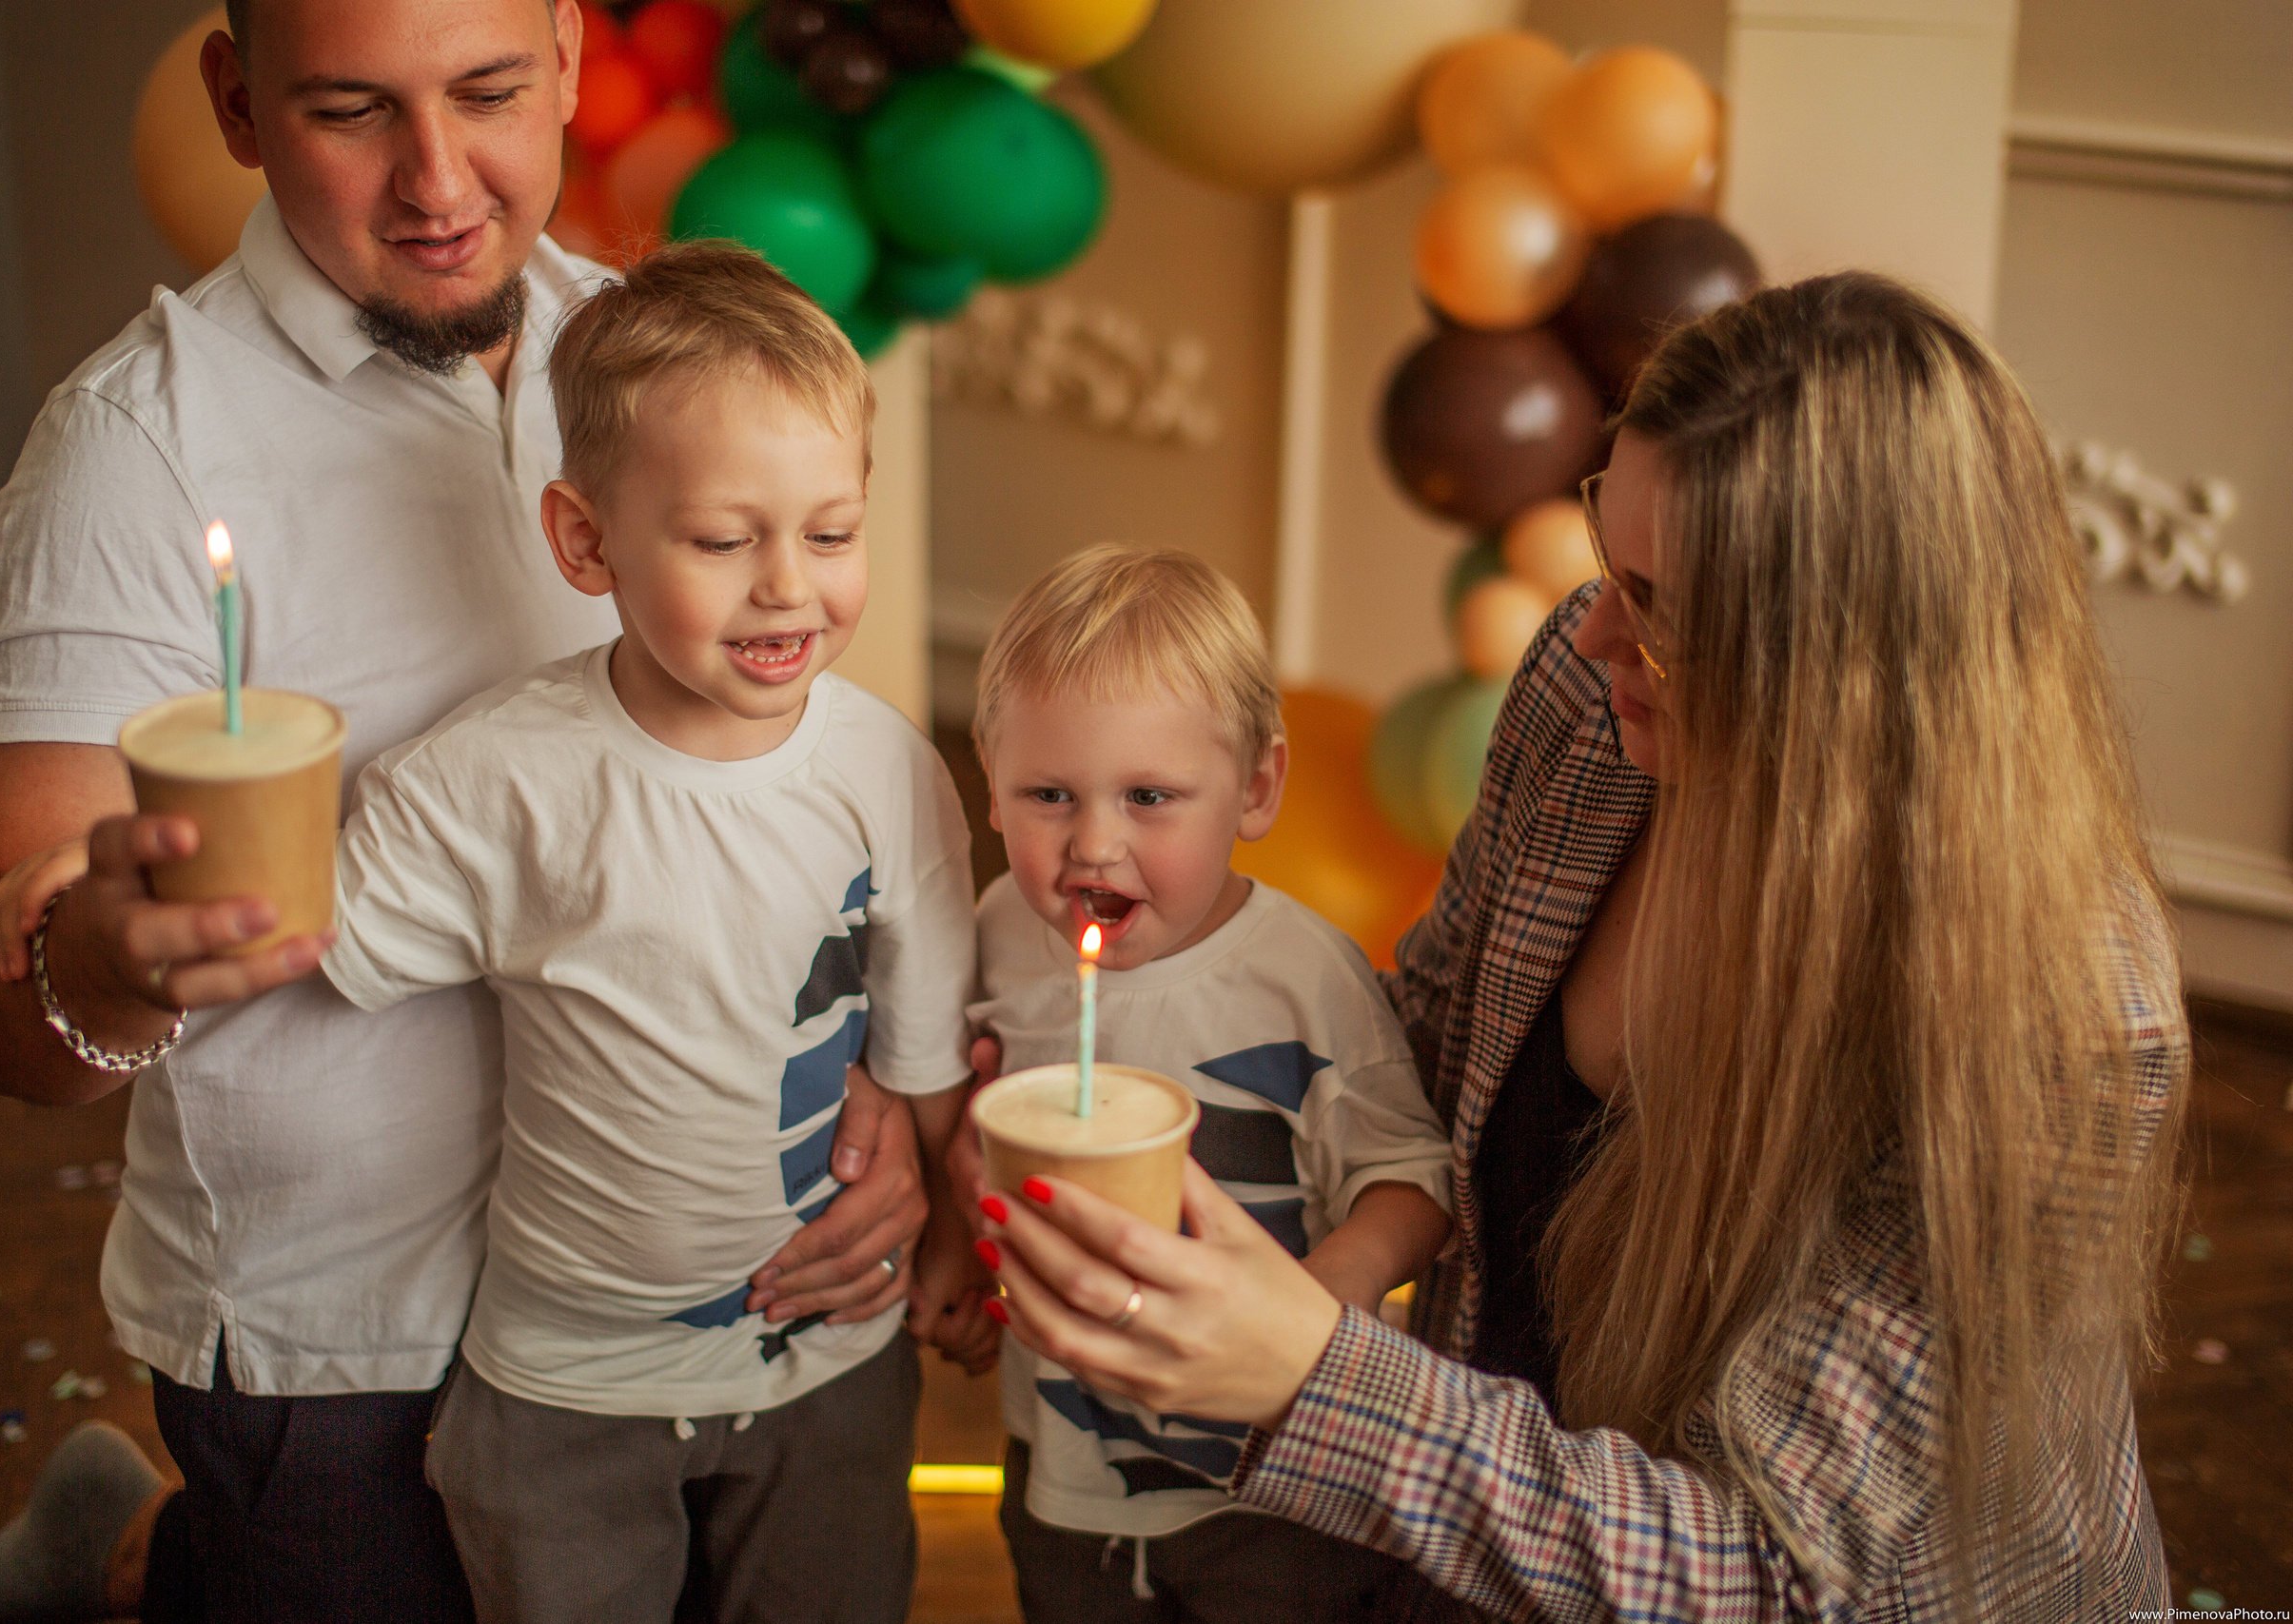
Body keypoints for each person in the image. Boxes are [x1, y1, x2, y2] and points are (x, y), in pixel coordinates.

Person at [972, 273, 2189, 1620]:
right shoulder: (1587, 702)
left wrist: (1313, 1370)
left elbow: (1777, 1576)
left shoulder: (2057, 1024)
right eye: (1609, 554)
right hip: (1483, 1514)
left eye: (1661, 604)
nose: (1591, 627)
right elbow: (1431, 1033)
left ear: (1840, 672)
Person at [0, 4, 926, 1619]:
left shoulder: (671, 372)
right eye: (350, 111)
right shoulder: (131, 459)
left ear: (574, 67)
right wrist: (104, 961)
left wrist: (885, 1094)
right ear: (239, 104)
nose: (439, 182)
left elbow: (795, 795)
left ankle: (115, 1557)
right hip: (348, 1353)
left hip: (680, 1298)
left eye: (488, 93)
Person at [316, 241, 983, 1623]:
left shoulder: (893, 770)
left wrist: (945, 1236)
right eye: (726, 540)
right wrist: (129, 878)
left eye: (832, 531)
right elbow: (306, 936)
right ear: (585, 539)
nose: (789, 586)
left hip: (831, 1359)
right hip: (570, 1384)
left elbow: (923, 1062)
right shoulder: (493, 779)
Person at [966, 545, 1453, 1620]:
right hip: (1061, 1462)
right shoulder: (998, 928)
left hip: (1273, 1491)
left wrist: (1331, 1290)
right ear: (990, 782)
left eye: (1150, 796)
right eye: (1048, 792)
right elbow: (969, 1105)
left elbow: (1414, 1176)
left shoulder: (1300, 980)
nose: (1094, 842)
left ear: (1256, 787)